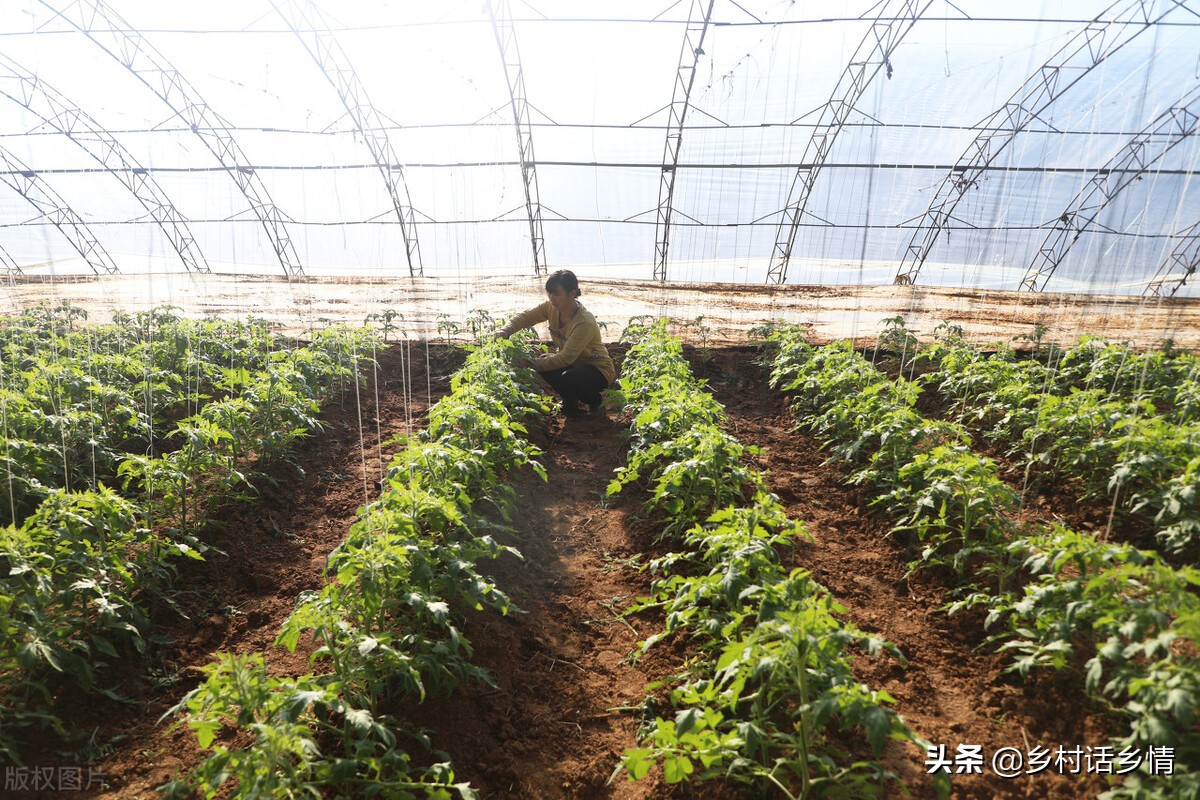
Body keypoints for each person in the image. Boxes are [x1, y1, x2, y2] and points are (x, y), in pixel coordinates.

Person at [495, 269, 615, 418]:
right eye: (550, 293)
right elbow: (527, 317)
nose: (552, 297)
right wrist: (506, 330)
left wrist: (529, 363)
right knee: (547, 360)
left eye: (556, 293)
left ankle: (596, 403)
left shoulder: (584, 321)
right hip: (575, 366)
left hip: (598, 370)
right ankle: (570, 400)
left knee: (567, 376)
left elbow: (566, 359)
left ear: (572, 294)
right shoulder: (551, 308)